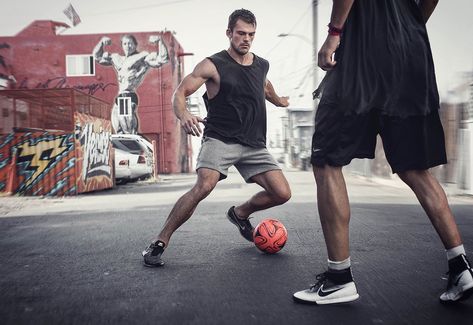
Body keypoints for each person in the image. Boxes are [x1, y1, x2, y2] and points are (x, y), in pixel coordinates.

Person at [293, 0, 473, 305]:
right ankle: (461, 267)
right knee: (415, 169)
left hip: (364, 55)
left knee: (326, 161)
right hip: (411, 50)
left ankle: (339, 279)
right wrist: (410, 23)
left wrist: (335, 32)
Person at [142, 9, 291, 267]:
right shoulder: (212, 65)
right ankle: (159, 242)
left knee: (282, 193)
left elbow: (264, 85)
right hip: (220, 139)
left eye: (251, 35)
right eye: (241, 33)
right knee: (204, 185)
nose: (246, 39)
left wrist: (278, 101)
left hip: (254, 144)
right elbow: (180, 92)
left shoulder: (261, 64)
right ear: (229, 33)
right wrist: (184, 114)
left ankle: (240, 213)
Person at [93, 34, 169, 134]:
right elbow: (97, 57)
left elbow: (162, 59)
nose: (127, 46)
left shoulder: (142, 57)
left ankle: (131, 134)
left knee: (126, 120)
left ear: (135, 45)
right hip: (120, 94)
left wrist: (160, 41)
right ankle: (124, 137)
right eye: (125, 43)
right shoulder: (117, 59)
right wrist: (101, 43)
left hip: (129, 93)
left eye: (130, 43)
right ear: (122, 45)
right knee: (116, 120)